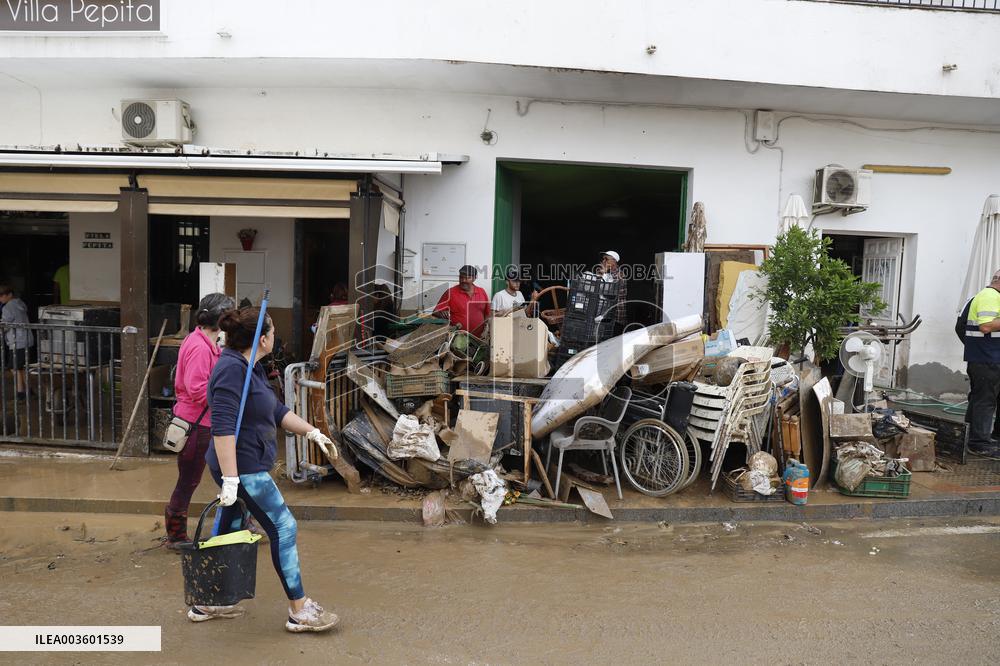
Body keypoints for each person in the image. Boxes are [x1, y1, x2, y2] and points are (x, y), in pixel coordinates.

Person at [194, 306, 341, 632]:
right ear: (262, 339)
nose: (276, 337)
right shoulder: (232, 371)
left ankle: (209, 601)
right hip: (243, 469)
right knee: (284, 528)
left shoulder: (251, 368)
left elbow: (275, 410)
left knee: (230, 527)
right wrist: (231, 479)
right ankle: (299, 609)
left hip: (242, 466)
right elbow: (222, 428)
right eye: (273, 333)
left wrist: (312, 432)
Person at [163, 293, 235, 550]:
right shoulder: (199, 347)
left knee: (223, 475)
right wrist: (226, 396)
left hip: (201, 422)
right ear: (221, 320)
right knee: (189, 480)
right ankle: (176, 536)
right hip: (195, 424)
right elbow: (196, 389)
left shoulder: (206, 342)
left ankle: (239, 522)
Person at [962, 270, 1000, 458]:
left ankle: (970, 437)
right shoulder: (989, 296)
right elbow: (985, 326)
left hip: (986, 358)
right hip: (987, 359)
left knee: (981, 399)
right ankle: (979, 444)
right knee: (985, 401)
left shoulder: (988, 296)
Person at [433, 265, 491, 337]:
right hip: (457, 338)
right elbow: (435, 311)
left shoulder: (481, 292)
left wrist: (486, 329)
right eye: (461, 277)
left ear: (474, 278)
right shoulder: (450, 292)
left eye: (467, 278)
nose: (463, 280)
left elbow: (487, 313)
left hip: (479, 338)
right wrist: (441, 313)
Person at [0, 284, 34, 400]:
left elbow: (5, 324)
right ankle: (28, 391)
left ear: (9, 294)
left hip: (16, 341)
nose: (1, 298)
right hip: (26, 339)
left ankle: (21, 393)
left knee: (14, 367)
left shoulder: (7, 307)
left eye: (2, 295)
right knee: (21, 367)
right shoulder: (20, 303)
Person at [595, 250, 628, 329]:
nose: (603, 261)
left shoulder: (619, 274)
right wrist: (602, 273)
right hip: (606, 315)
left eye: (606, 259)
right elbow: (596, 287)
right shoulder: (607, 273)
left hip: (616, 315)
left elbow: (610, 293)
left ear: (614, 261)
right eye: (603, 259)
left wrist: (604, 273)